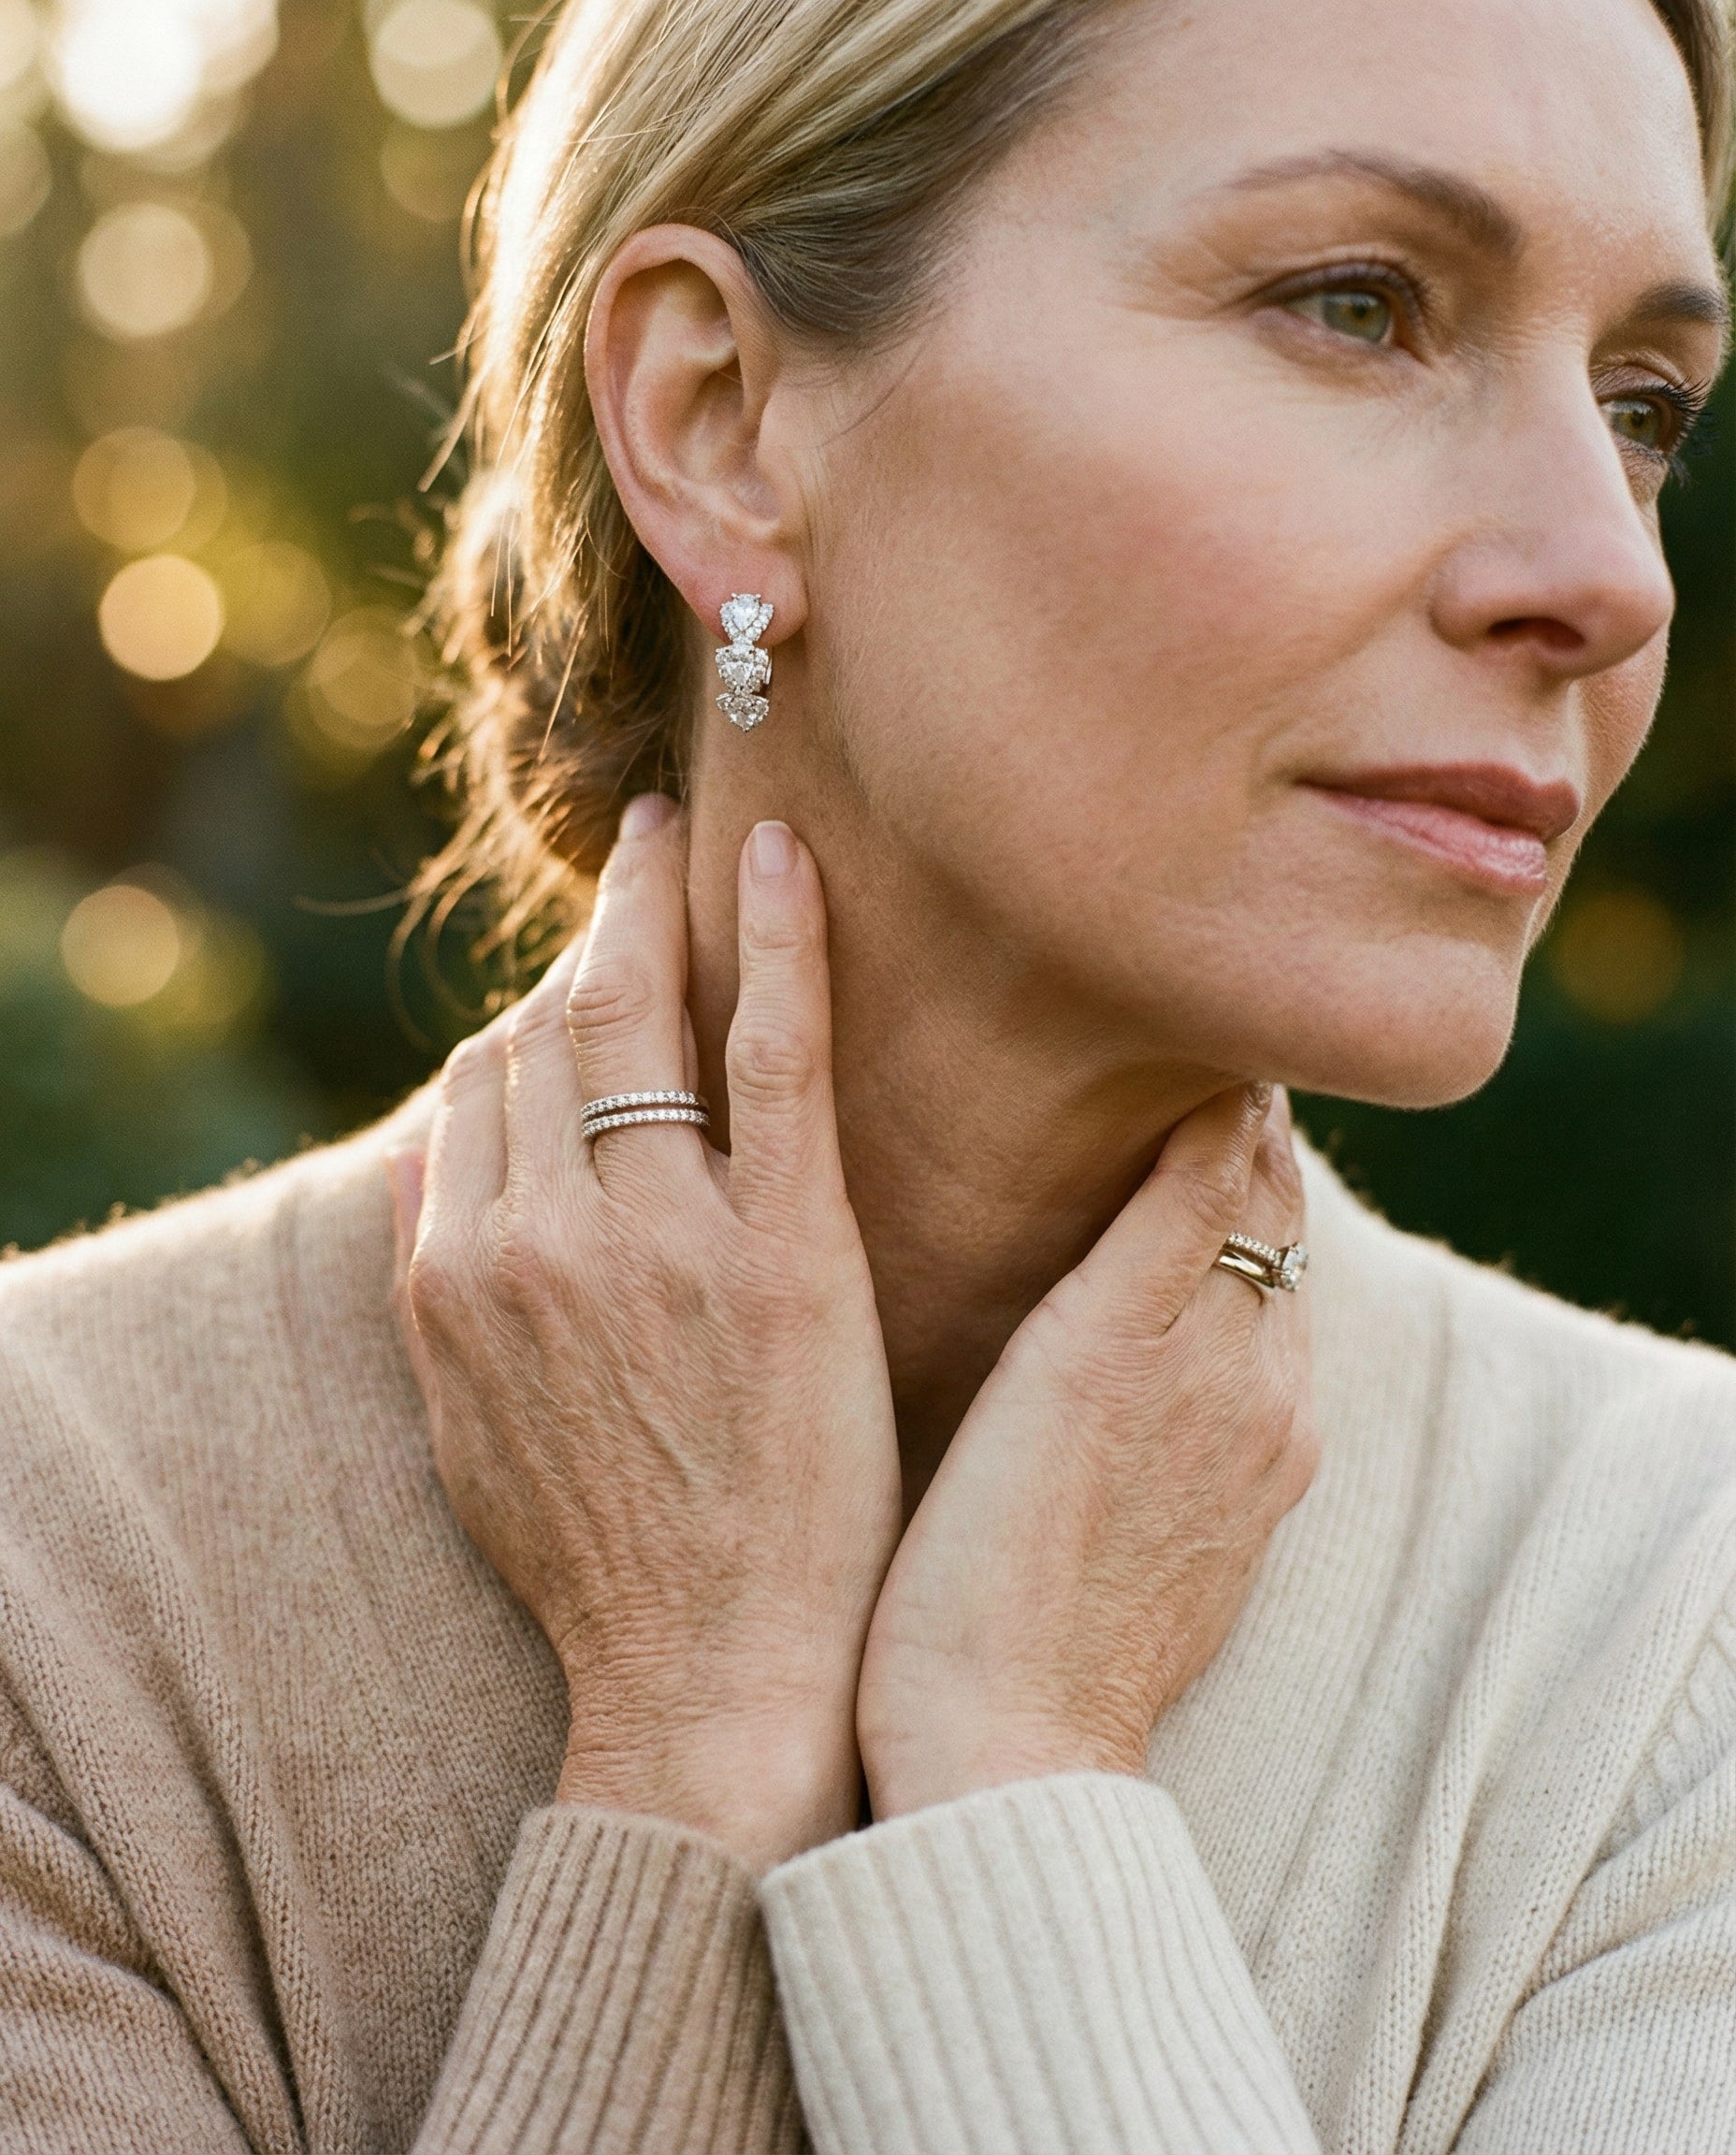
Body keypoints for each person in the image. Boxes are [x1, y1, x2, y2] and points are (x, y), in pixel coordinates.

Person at [2, 0, 1733, 2147]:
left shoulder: (1680, 1621)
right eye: (1358, 305)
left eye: (1646, 401)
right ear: (720, 419)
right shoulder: (47, 1576)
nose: (1604, 571)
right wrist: (690, 1755)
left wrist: (1016, 1762)